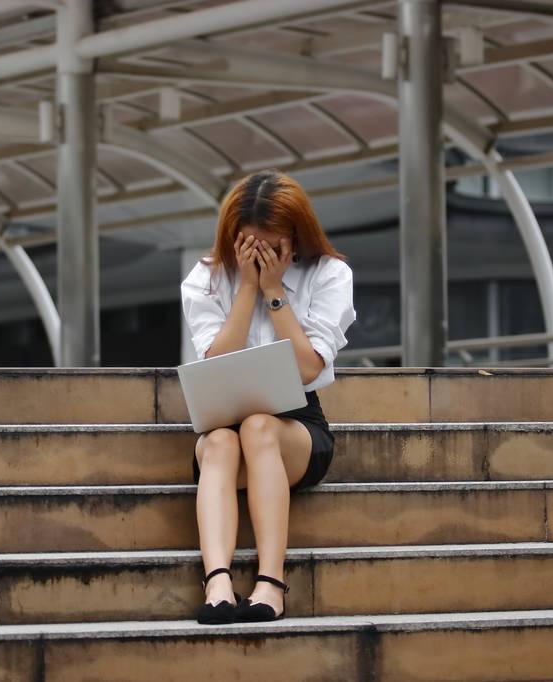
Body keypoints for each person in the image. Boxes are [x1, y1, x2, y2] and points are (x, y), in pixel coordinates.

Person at [180, 169, 357, 624]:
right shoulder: (206, 278)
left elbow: (307, 369)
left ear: (295, 238)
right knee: (220, 440)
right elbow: (213, 360)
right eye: (248, 245)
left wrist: (275, 292)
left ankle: (270, 583)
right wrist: (247, 289)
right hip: (224, 423)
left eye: (271, 246)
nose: (258, 256)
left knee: (260, 427)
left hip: (295, 429)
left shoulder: (329, 274)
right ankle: (217, 582)